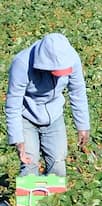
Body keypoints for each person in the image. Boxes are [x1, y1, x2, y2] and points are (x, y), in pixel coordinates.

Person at [5, 33, 90, 177]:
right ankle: (29, 199)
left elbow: (77, 92)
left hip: (54, 114)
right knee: (29, 162)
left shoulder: (71, 58)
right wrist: (18, 140)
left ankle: (53, 199)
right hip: (26, 116)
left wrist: (83, 126)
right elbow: (13, 105)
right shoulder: (22, 64)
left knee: (57, 162)